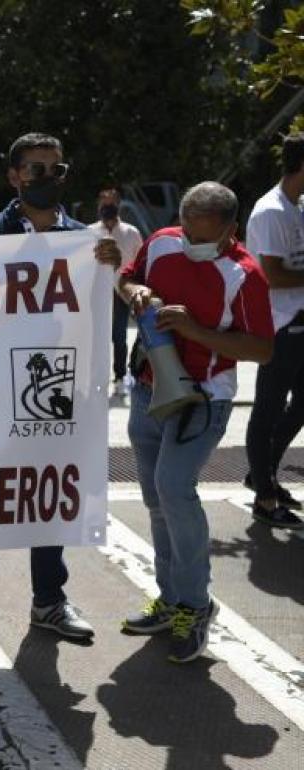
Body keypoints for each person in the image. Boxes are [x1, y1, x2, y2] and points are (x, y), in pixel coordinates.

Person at [0, 132, 121, 647]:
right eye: (36, 170)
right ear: (14, 177)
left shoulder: (85, 241)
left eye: (56, 169)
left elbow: (95, 316)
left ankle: (49, 601)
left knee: (48, 495)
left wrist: (109, 266)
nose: (48, 178)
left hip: (54, 385)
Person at [119, 181, 274, 662]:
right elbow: (127, 276)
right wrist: (136, 291)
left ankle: (194, 603)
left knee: (174, 490)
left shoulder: (245, 275)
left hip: (204, 398)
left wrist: (194, 330)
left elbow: (262, 350)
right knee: (157, 497)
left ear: (232, 230)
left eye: (204, 236)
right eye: (187, 229)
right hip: (149, 386)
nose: (191, 241)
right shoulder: (163, 240)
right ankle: (170, 598)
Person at [243, 133, 304, 529]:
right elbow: (272, 275)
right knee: (267, 406)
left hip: (301, 319)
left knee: (301, 405)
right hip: (279, 325)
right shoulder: (270, 211)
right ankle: (264, 497)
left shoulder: (298, 207)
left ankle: (262, 472)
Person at [89, 186, 144, 398]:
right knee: (97, 338)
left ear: (118, 205)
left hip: (120, 290)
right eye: (104, 205)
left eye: (111, 204)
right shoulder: (90, 232)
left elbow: (139, 262)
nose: (107, 208)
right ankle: (97, 379)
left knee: (119, 337)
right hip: (97, 292)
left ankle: (120, 377)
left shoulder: (131, 233)